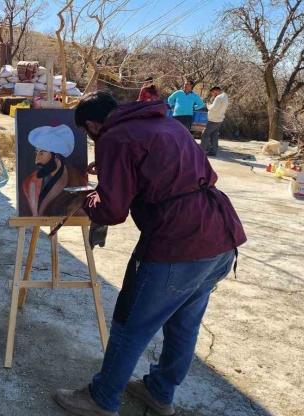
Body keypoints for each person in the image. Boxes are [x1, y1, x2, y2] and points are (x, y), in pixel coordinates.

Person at [53, 92, 246, 416]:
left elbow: (113, 210)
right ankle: (160, 392)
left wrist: (85, 199)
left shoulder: (114, 136)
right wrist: (112, 169)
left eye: (88, 134)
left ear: (92, 125)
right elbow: (166, 169)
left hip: (179, 243)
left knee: (132, 324)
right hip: (220, 237)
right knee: (184, 325)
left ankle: (102, 398)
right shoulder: (164, 122)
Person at [19, 124, 87, 216]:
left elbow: (79, 208)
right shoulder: (30, 182)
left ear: (57, 156)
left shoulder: (76, 180)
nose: (37, 160)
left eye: (42, 154)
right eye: (36, 153)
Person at [201, 86, 229, 156]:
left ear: (215, 91)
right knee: (214, 136)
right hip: (219, 119)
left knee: (204, 134)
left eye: (212, 93)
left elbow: (214, 108)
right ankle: (213, 151)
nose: (212, 95)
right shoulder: (225, 96)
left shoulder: (219, 97)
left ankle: (202, 151)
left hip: (214, 120)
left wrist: (208, 105)